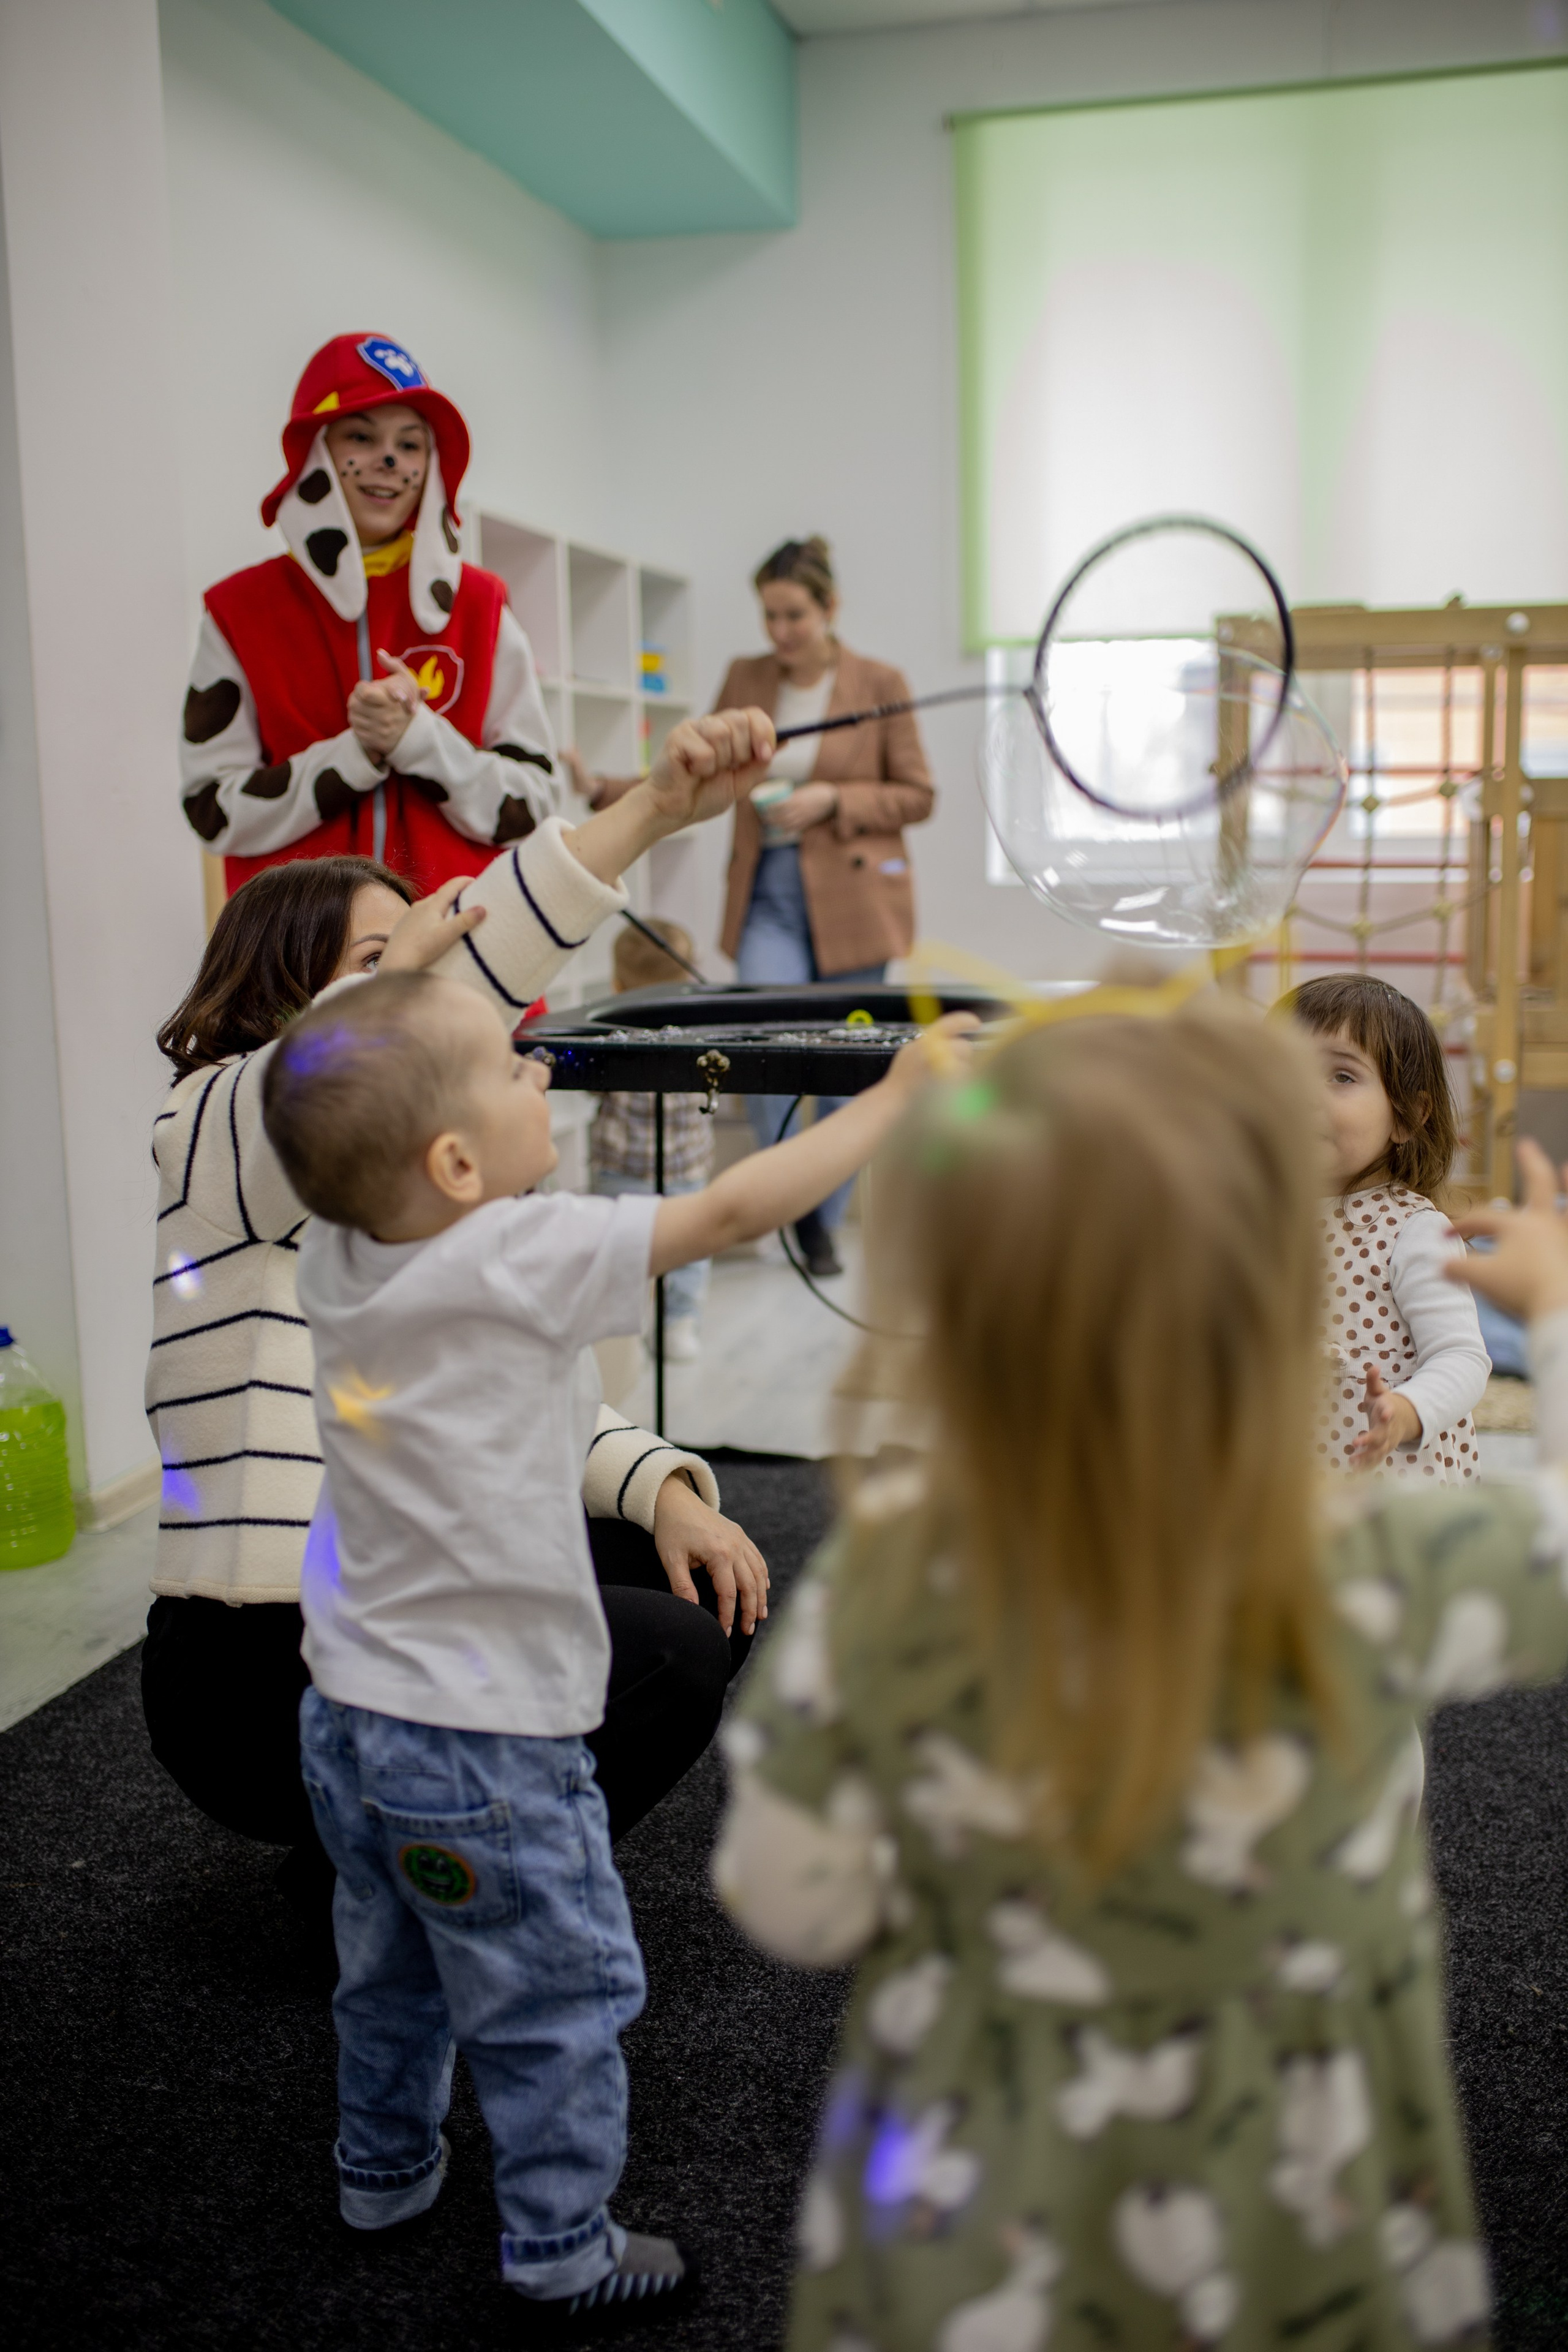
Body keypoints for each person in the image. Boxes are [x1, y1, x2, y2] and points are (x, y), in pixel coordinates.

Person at [712, 999, 1568, 2351]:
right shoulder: (1382, 1576)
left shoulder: (889, 1582)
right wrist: (1558, 1319)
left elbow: (793, 1901)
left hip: (968, 2222)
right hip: (1289, 2213)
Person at [263, 940, 973, 2316]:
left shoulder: (340, 1256)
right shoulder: (515, 1254)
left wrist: (398, 1016)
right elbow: (724, 1214)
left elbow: (343, 1085)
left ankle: (381, 2170)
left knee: (389, 1964)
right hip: (487, 1741)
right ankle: (558, 2246)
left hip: (345, 1713)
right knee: (554, 2000)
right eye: (510, 1065)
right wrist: (893, 1097)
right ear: (458, 1166)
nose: (541, 1068)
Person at [141, 716, 774, 1919]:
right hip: (255, 1672)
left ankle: (412, 1856)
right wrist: (646, 810)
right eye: (388, 961)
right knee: (663, 1654)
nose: (431, 990)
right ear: (287, 996)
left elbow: (541, 1411)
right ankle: (392, 1886)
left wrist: (667, 1494)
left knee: (691, 1584)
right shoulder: (213, 1135)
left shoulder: (440, 1200)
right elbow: (348, 1057)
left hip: (398, 1604)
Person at [565, 536, 936, 1278]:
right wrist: (611, 790)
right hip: (766, 892)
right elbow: (694, 763)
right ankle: (796, 1206)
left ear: (830, 608)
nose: (780, 632)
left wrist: (833, 798)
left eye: (794, 615)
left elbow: (918, 794)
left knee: (846, 1070)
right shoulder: (747, 677)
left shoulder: (880, 681)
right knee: (763, 1062)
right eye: (769, 616)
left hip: (857, 899)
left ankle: (818, 1225)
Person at [179, 332, 560, 900]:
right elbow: (211, 809)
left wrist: (419, 741)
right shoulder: (239, 612)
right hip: (301, 961)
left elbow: (533, 804)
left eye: (410, 445)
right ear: (315, 453)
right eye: (361, 436)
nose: (389, 461)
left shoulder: (480, 606)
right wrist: (351, 757)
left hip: (464, 953)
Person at [1283, 973, 1490, 1479]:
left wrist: (1408, 1411)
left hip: (1389, 1486)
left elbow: (1460, 1356)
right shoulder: (1263, 1219)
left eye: (1342, 1077)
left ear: (1407, 1117)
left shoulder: (1410, 1231)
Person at [590, 918, 714, 1362]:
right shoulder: (704, 1032)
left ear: (618, 983)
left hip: (621, 1165)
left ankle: (626, 1334)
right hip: (683, 1165)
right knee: (690, 1250)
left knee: (619, 1253)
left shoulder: (606, 1028)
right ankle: (676, 1323)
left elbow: (592, 1087)